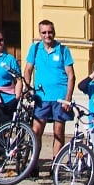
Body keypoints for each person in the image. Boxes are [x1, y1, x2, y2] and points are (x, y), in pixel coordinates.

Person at [25, 18, 75, 161]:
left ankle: (55, 165)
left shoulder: (63, 50)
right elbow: (27, 70)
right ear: (40, 34)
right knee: (36, 131)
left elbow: (71, 76)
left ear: (54, 32)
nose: (48, 35)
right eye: (44, 32)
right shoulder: (35, 49)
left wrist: (68, 99)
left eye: (50, 32)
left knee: (58, 132)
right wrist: (28, 88)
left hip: (60, 97)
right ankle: (33, 164)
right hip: (41, 98)